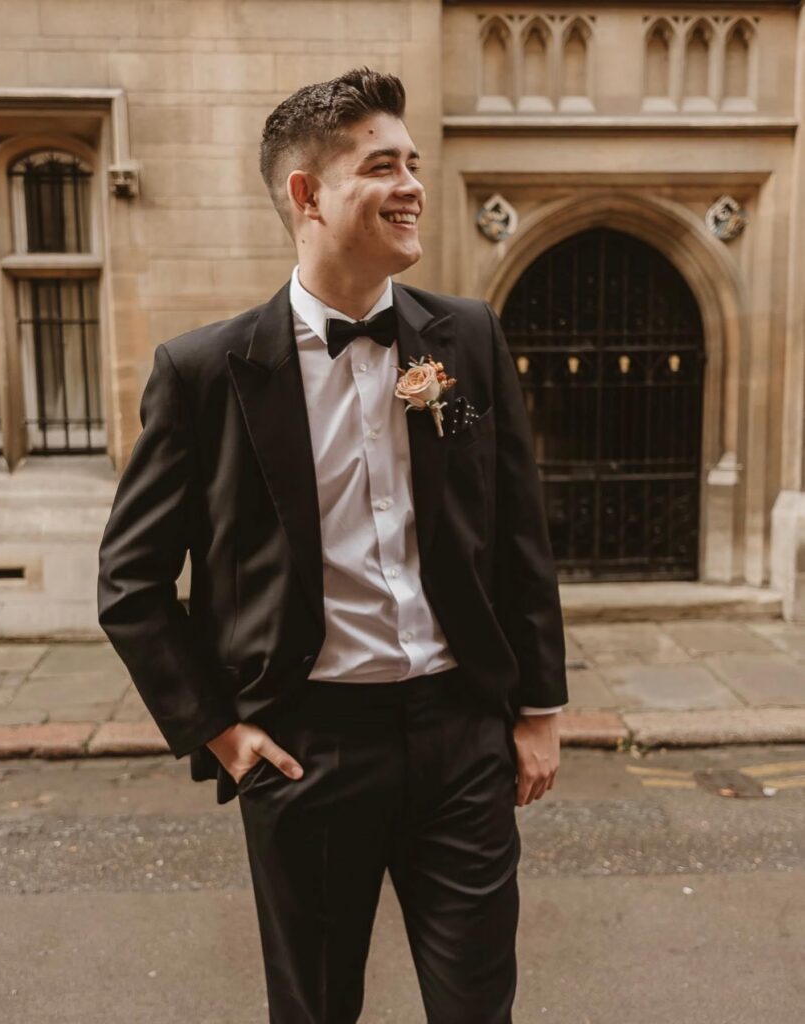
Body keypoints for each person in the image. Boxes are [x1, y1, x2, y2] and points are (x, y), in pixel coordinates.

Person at [97, 66, 568, 1024]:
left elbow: (517, 529)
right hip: (307, 751)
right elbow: (131, 581)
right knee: (314, 1010)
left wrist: (537, 709)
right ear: (307, 195)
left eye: (414, 163)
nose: (412, 186)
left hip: (459, 736)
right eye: (381, 166)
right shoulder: (202, 374)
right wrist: (222, 733)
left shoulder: (467, 338)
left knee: (480, 1008)